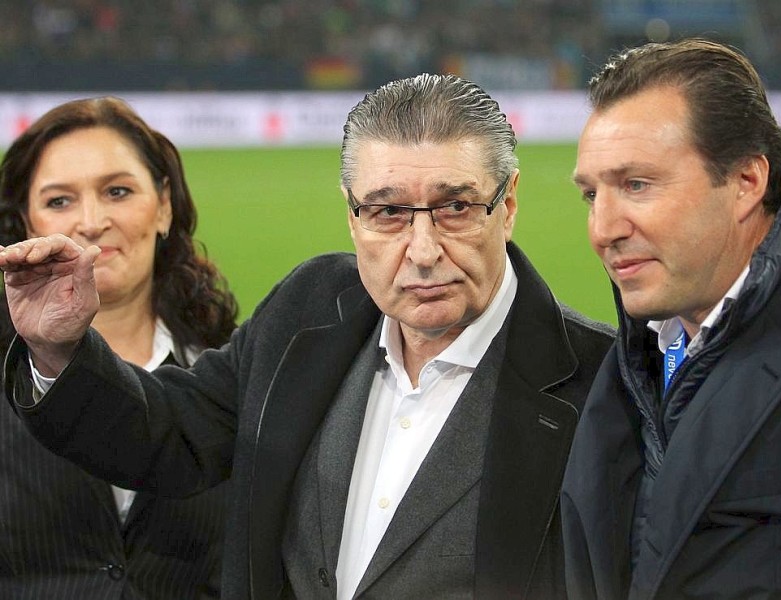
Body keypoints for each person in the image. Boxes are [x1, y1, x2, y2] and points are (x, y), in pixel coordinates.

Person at [0, 74, 614, 599]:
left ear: (507, 204)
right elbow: (171, 432)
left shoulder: (602, 384)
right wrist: (56, 351)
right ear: (352, 215)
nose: (423, 252)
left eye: (455, 207)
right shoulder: (310, 310)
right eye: (388, 212)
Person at [563, 38, 781, 599]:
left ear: (746, 182)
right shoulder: (638, 354)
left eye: (636, 185)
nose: (603, 230)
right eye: (591, 195)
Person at [0, 97, 239, 600]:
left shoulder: (235, 373)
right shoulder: (11, 376)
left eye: (118, 191)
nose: (91, 222)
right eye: (59, 201)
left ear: (165, 205)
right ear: (25, 222)